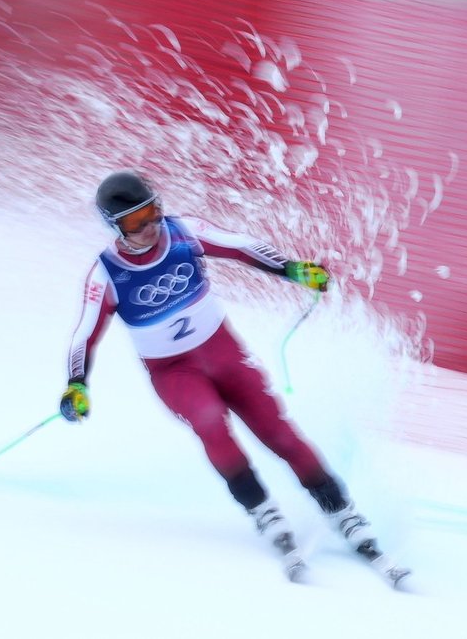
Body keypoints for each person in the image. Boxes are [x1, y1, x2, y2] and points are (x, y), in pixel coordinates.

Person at [60, 170, 402, 581]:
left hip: (223, 354)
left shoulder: (182, 232)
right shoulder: (106, 274)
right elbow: (85, 333)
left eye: (152, 212)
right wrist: (76, 384)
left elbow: (240, 246)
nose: (150, 226)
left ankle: (342, 511)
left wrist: (292, 269)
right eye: (136, 222)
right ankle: (261, 508)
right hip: (174, 372)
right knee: (209, 422)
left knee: (278, 433)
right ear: (116, 228)